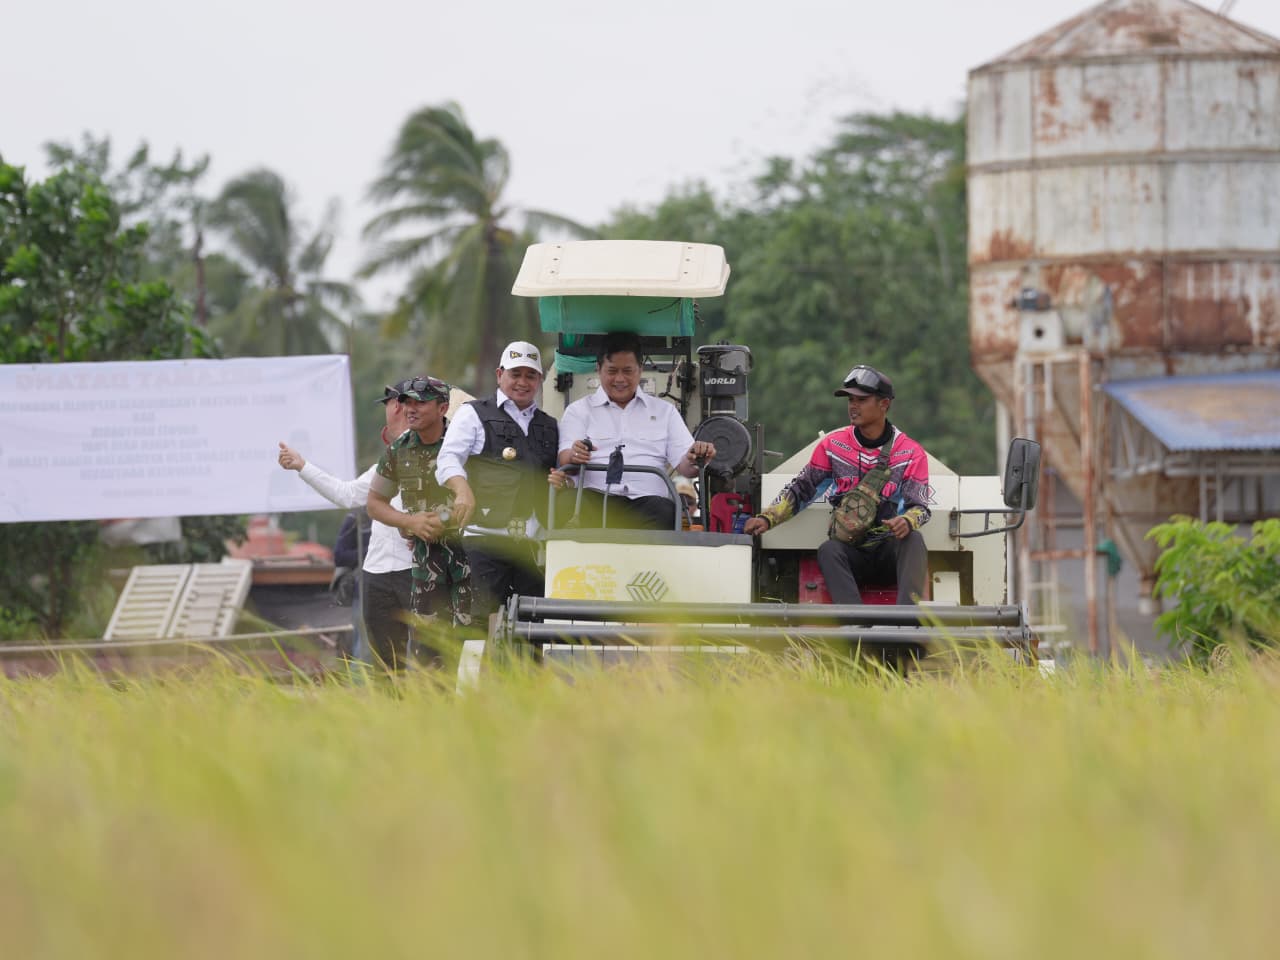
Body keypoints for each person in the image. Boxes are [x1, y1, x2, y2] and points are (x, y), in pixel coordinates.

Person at [743, 364, 931, 605]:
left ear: (884, 404)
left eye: (862, 400)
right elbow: (803, 488)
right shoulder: (833, 445)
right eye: (850, 399)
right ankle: (855, 628)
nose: (853, 406)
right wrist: (767, 518)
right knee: (829, 550)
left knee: (914, 541)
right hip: (852, 556)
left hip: (889, 555)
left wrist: (907, 521)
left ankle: (907, 626)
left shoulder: (910, 452)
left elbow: (921, 507)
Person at [277, 380, 417, 667]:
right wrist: (303, 466)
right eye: (392, 406)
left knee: (421, 653)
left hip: (417, 569)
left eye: (393, 405)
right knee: (378, 658)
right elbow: (347, 494)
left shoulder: (439, 453)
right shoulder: (387, 462)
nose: (392, 412)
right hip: (376, 571)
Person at [435, 341, 559, 627]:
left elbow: (556, 473)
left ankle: (526, 673)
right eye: (515, 374)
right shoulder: (473, 413)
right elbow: (448, 459)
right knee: (481, 621)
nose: (522, 382)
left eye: (530, 375)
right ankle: (481, 673)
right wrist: (462, 489)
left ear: (540, 380)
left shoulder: (550, 425)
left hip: (531, 542)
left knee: (533, 624)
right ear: (499, 374)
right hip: (484, 537)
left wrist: (561, 479)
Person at [550, 331, 716, 530]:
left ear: (640, 370)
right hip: (595, 501)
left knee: (667, 510)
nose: (620, 379)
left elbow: (687, 468)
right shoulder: (578, 411)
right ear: (598, 369)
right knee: (566, 502)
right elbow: (565, 458)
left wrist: (696, 456)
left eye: (627, 371)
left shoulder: (665, 412)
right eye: (612, 371)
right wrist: (575, 454)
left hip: (648, 506)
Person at [366, 376, 471, 670]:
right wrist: (409, 521)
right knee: (428, 652)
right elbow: (374, 503)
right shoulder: (399, 449)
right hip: (426, 565)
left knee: (471, 647)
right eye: (407, 402)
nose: (411, 409)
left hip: (471, 559)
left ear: (443, 408)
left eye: (420, 403)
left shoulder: (465, 444)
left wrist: (446, 518)